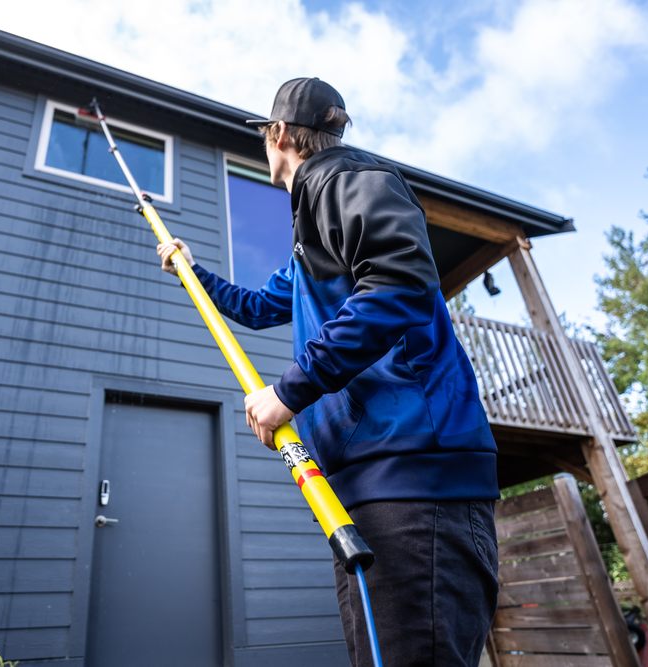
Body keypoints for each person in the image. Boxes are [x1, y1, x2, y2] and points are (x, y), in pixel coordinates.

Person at [156, 77, 499, 666]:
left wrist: (289, 392)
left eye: (265, 134)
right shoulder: (310, 231)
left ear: (281, 134)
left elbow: (398, 287)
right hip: (360, 488)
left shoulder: (352, 181)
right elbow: (258, 308)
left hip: (416, 481)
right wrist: (192, 270)